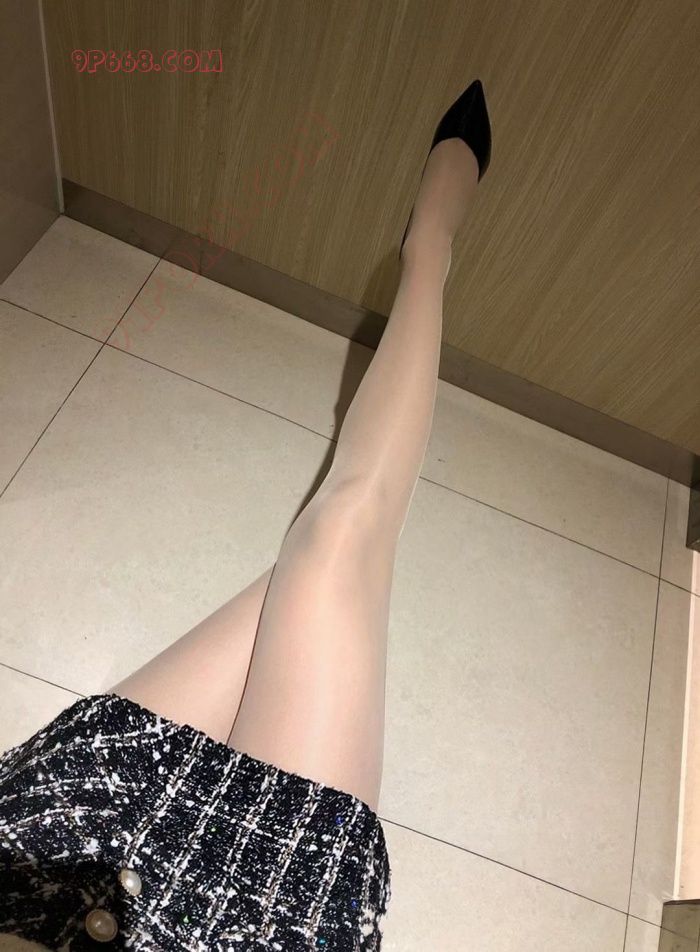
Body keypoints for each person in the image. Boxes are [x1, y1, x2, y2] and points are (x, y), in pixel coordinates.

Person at [0, 79, 491, 951]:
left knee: (329, 546)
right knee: (340, 540)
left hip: (44, 870)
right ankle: (432, 246)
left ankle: (425, 251)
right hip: (253, 929)